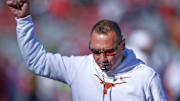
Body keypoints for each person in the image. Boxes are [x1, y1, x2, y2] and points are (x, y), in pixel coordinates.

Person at [6, 0, 169, 101]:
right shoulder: (78, 68)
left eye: (109, 51)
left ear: (123, 46)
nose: (102, 58)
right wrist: (23, 20)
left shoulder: (146, 77)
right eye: (96, 51)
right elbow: (36, 62)